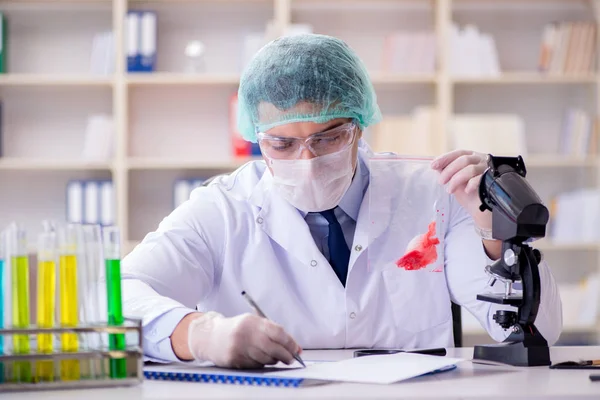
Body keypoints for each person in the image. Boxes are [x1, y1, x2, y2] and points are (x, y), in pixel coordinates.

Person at [121, 33, 562, 369]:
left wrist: (491, 230)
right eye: (281, 144)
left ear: (360, 125)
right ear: (256, 138)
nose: (307, 160)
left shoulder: (435, 195)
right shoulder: (221, 210)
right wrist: (198, 333)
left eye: (328, 137)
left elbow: (537, 332)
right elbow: (120, 296)